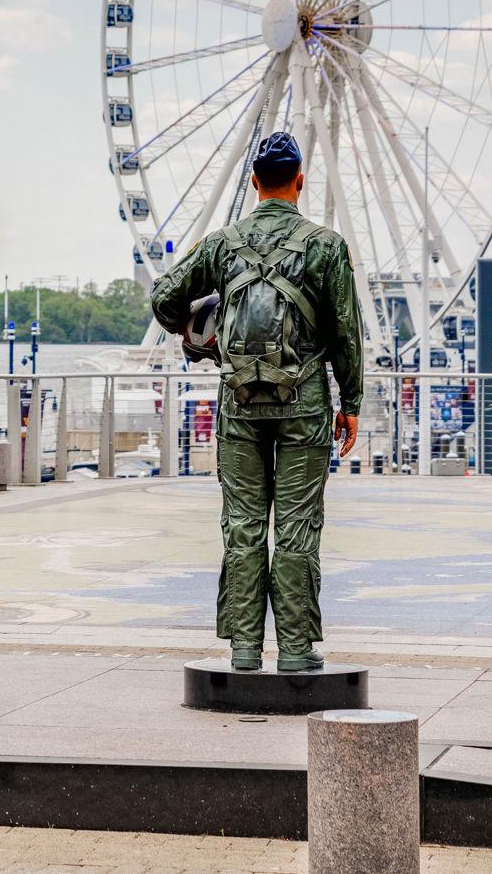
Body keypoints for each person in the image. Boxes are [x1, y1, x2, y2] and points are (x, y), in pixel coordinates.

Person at [149, 132, 363, 673]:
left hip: (239, 403)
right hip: (305, 403)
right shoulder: (326, 246)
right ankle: (294, 649)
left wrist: (202, 339)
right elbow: (345, 332)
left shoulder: (223, 243)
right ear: (300, 179)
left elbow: (163, 297)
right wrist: (352, 400)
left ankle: (244, 647)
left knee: (243, 525)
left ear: (252, 182)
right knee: (296, 525)